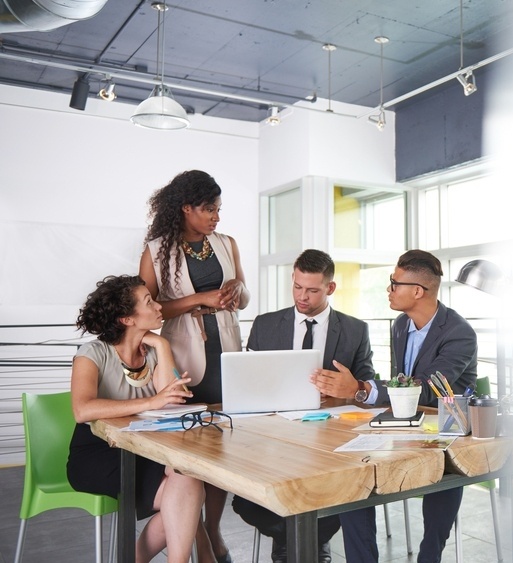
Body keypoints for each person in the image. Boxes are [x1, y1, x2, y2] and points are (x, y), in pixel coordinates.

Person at [311, 249, 478, 563]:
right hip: (407, 423)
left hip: (448, 427)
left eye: (393, 283)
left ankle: (430, 554)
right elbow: (402, 381)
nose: (388, 289)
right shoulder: (401, 325)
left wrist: (361, 388)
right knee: (354, 468)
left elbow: (428, 389)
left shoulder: (459, 334)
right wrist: (361, 394)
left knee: (444, 463)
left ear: (417, 291)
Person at [231, 249, 378, 563]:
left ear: (330, 288)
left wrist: (349, 390)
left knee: (348, 486)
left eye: (312, 290)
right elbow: (250, 381)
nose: (303, 296)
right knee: (244, 502)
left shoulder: (355, 330)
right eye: (297, 287)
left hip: (330, 435)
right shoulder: (266, 324)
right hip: (273, 435)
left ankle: (304, 541)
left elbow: (366, 388)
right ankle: (300, 536)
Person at [138, 169, 249, 563]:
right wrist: (198, 300)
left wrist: (237, 291)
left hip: (227, 354)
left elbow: (243, 296)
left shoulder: (226, 243)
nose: (216, 217)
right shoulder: (156, 251)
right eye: (208, 210)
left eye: (218, 209)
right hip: (182, 359)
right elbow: (146, 310)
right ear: (185, 209)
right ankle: (198, 536)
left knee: (220, 452)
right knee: (187, 457)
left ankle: (213, 531)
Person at [67, 275, 204, 563]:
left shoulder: (153, 352)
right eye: (149, 302)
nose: (158, 307)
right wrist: (150, 401)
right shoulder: (92, 353)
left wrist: (163, 346)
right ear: (127, 319)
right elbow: (82, 409)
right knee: (185, 493)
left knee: (186, 480)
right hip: (98, 453)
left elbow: (174, 401)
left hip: (144, 449)